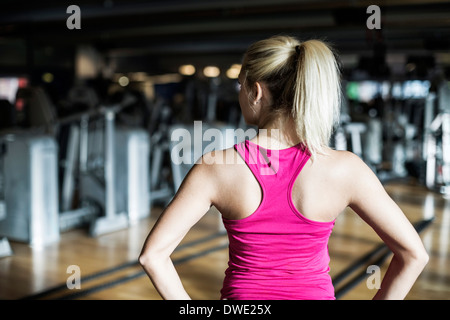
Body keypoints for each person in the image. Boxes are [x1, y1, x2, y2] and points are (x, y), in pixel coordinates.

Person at [139, 35, 429, 300]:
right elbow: (414, 254)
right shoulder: (346, 169)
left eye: (240, 85)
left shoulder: (216, 167)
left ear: (255, 91)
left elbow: (152, 256)